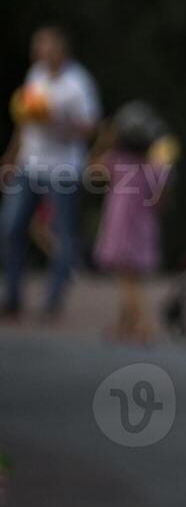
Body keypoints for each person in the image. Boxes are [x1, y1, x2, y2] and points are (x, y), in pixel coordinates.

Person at [1, 25, 101, 320]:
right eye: (38, 46)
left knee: (62, 235)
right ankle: (13, 296)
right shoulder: (36, 74)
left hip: (63, 170)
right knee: (11, 227)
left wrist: (55, 120)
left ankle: (53, 299)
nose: (40, 51)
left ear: (61, 49)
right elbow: (23, 121)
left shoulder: (78, 83)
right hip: (29, 165)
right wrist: (11, 156)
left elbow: (90, 128)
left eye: (46, 46)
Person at [91, 101, 175, 342]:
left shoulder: (116, 160)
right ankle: (123, 326)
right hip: (144, 229)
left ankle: (142, 323)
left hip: (120, 228)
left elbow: (92, 171)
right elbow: (164, 199)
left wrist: (103, 140)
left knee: (127, 280)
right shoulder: (155, 168)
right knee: (132, 278)